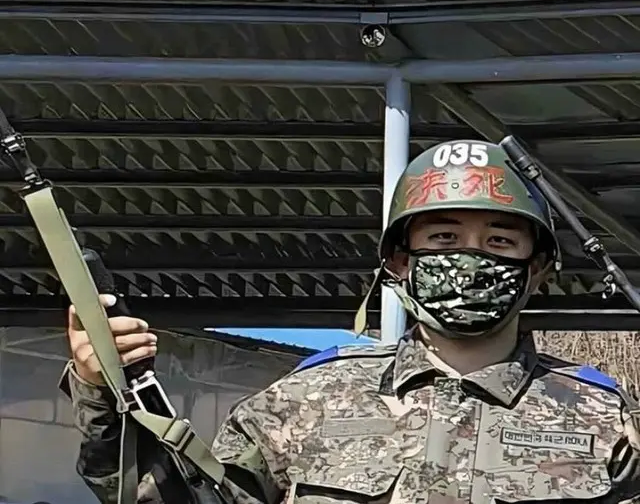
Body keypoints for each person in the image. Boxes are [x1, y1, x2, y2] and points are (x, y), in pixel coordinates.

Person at [61, 139, 640, 504]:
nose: (469, 258)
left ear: (536, 270)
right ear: (400, 262)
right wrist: (104, 390)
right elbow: (165, 497)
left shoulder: (604, 417)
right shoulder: (306, 399)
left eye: (498, 241)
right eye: (444, 238)